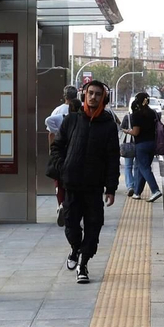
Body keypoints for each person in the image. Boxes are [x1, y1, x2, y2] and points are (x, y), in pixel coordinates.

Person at [48, 79, 119, 283]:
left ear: (103, 98)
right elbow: (57, 147)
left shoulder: (108, 125)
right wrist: (64, 167)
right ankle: (75, 249)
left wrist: (111, 188)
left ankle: (83, 263)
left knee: (94, 226)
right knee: (71, 224)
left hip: (94, 187)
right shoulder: (71, 120)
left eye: (98, 94)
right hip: (71, 184)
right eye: (90, 93)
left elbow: (113, 158)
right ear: (84, 95)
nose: (94, 97)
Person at [44, 86, 81, 225]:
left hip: (61, 152)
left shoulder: (58, 111)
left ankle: (61, 205)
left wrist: (51, 150)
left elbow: (51, 133)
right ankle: (70, 206)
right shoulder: (81, 109)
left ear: (64, 96)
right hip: (76, 152)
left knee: (59, 180)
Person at [128, 91, 163, 202]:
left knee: (144, 168)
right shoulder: (152, 113)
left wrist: (127, 131)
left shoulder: (137, 114)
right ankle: (137, 192)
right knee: (141, 168)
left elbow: (136, 132)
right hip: (152, 143)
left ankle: (155, 190)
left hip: (141, 145)